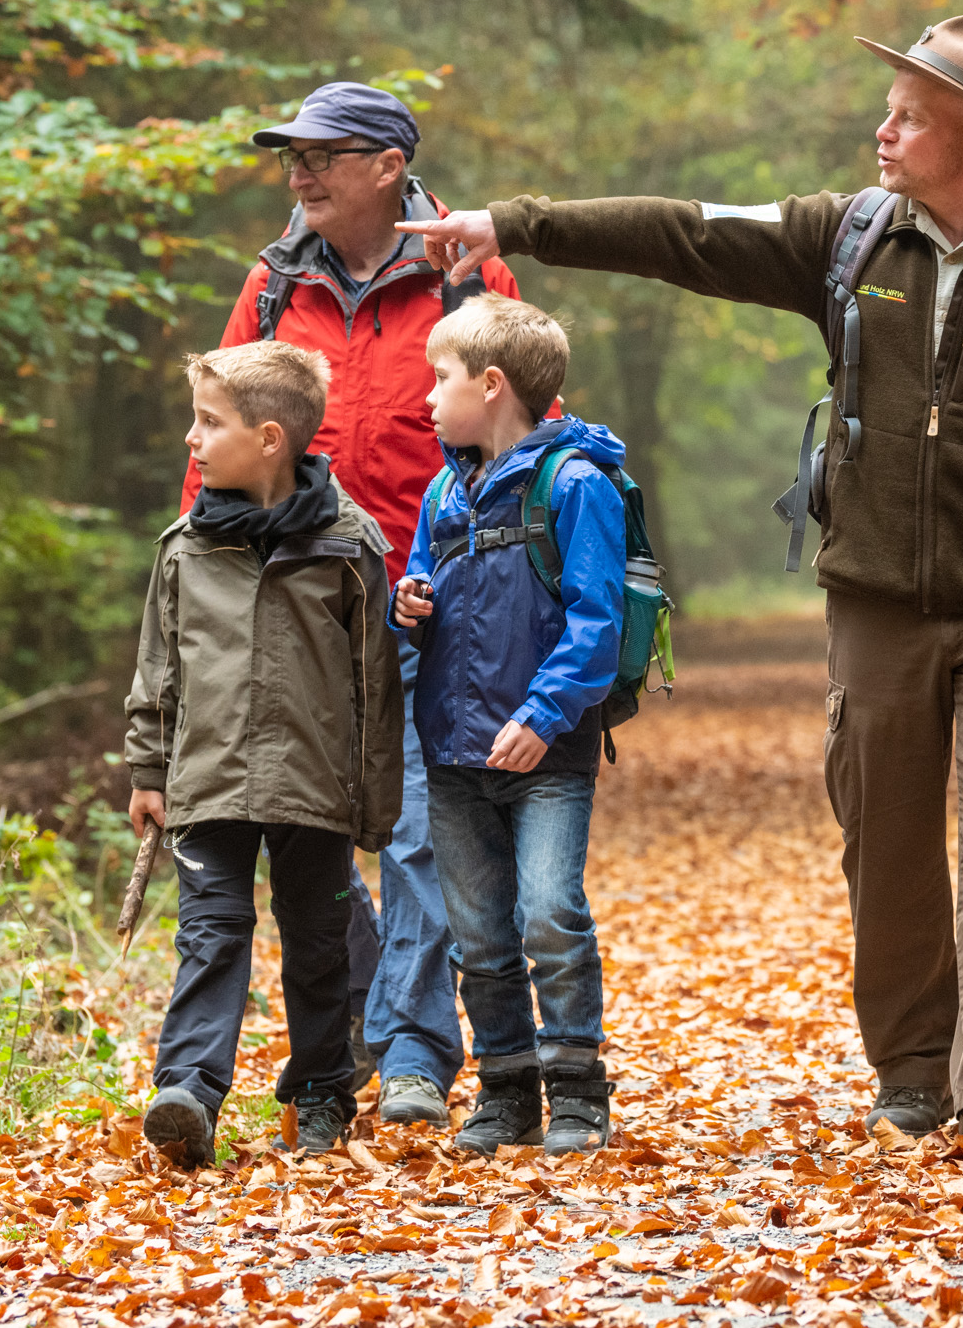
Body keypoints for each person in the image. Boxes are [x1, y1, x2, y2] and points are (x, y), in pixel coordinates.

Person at [398, 15, 963, 1169]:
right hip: (872, 602)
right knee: (888, 840)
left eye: (909, 116)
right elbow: (687, 233)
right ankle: (914, 1072)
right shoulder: (842, 238)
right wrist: (512, 224)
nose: (883, 129)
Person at [186, 81, 526, 1135]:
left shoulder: (469, 276)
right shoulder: (275, 284)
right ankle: (381, 1023)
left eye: (321, 155)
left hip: (432, 603)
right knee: (305, 835)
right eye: (291, 156)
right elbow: (220, 427)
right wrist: (199, 565)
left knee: (419, 832)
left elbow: (522, 432)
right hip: (295, 605)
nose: (299, 174)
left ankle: (418, 1056)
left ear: (388, 165)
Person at [128, 343, 404, 1167]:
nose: (192, 438)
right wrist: (148, 770)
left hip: (312, 785)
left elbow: (375, 685)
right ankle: (187, 1091)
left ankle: (322, 1090)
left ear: (271, 439)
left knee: (318, 940)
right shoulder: (185, 547)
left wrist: (374, 801)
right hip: (206, 778)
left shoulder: (348, 545)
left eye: (210, 423)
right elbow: (158, 665)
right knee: (211, 932)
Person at [389, 297, 628, 1157]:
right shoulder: (445, 490)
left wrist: (541, 713)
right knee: (480, 931)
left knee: (549, 914)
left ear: (491, 386)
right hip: (452, 751)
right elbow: (421, 589)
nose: (428, 397)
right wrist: (405, 605)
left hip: (546, 752)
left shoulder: (576, 485)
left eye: (439, 378)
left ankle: (576, 1092)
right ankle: (506, 1088)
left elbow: (595, 621)